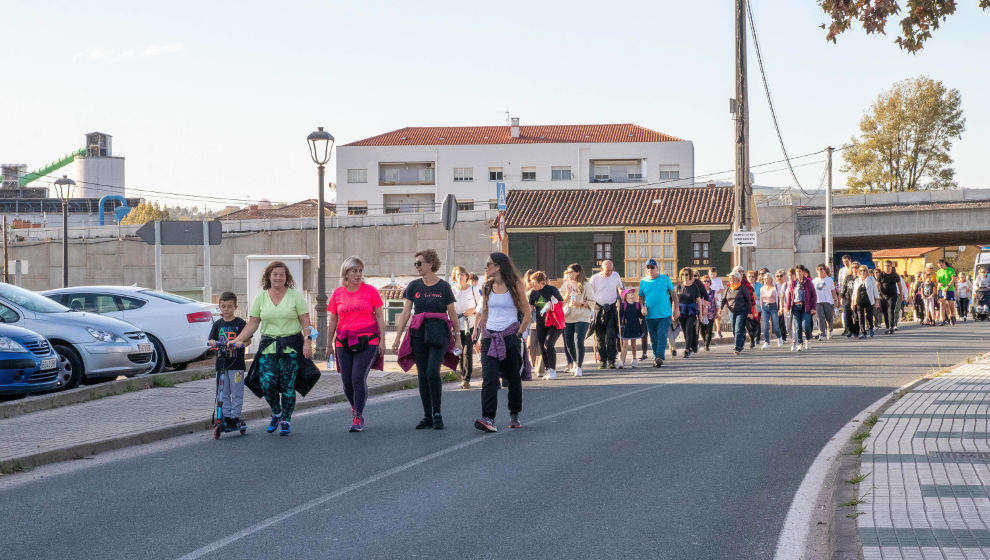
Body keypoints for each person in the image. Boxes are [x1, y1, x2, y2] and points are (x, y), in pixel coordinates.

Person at [231, 261, 314, 437]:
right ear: (269, 277)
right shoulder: (261, 298)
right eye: (275, 274)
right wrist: (238, 340)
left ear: (286, 277)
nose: (278, 277)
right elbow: (253, 323)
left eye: (282, 274)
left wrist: (308, 341)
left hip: (291, 347)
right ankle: (277, 412)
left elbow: (305, 321)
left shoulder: (294, 296)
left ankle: (286, 420)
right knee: (266, 384)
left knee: (287, 386)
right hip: (268, 347)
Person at [392, 249, 461, 430]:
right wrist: (397, 338)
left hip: (439, 333)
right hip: (418, 333)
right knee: (422, 375)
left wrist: (458, 339)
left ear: (431, 264)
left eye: (419, 263)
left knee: (432, 372)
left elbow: (452, 314)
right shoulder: (414, 286)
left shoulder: (444, 287)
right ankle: (427, 416)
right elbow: (406, 312)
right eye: (416, 264)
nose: (417, 267)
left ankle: (437, 412)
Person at [325, 257, 386, 433]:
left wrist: (382, 340)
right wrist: (329, 343)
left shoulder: (371, 291)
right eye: (354, 271)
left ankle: (358, 415)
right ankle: (355, 408)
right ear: (346, 273)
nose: (358, 274)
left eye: (360, 271)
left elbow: (380, 316)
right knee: (346, 382)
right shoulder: (338, 293)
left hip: (368, 341)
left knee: (357, 377)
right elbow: (333, 319)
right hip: (343, 341)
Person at [473, 252, 531, 432]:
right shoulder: (487, 286)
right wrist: (480, 333)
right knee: (489, 378)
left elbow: (527, 314)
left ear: (498, 266)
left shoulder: (515, 286)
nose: (486, 267)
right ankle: (488, 418)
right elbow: (484, 312)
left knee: (512, 378)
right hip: (491, 337)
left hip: (510, 336)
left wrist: (518, 334)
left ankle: (514, 413)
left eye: (488, 264)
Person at [208, 292, 248, 434]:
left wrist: (241, 343)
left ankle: (235, 417)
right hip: (222, 365)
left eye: (229, 306)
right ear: (219, 307)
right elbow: (211, 339)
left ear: (235, 307)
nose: (226, 309)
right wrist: (212, 341)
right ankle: (224, 417)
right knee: (223, 392)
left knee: (236, 392)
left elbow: (248, 339)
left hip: (236, 365)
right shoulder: (217, 324)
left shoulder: (240, 323)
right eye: (223, 306)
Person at [640, 258, 678, 368]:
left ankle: (660, 357)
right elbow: (641, 298)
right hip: (650, 316)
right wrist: (642, 307)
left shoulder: (665, 279)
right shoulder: (643, 282)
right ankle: (656, 357)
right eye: (648, 267)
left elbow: (674, 295)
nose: (650, 269)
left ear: (657, 268)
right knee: (653, 338)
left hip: (664, 315)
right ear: (646, 270)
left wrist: (676, 309)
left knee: (662, 335)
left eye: (652, 267)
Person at [451, 266, 482, 389]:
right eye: (458, 274)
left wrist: (473, 311)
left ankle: (466, 379)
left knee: (467, 351)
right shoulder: (452, 290)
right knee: (458, 352)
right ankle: (462, 376)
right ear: (455, 277)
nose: (460, 277)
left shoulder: (474, 289)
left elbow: (481, 306)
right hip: (457, 326)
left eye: (463, 274)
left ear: (466, 276)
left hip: (470, 325)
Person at [529, 271, 564, 379]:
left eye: (534, 282)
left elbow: (561, 303)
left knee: (548, 344)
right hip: (540, 324)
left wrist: (553, 304)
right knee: (542, 347)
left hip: (554, 322)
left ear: (541, 282)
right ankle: (548, 369)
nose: (532, 284)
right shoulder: (533, 293)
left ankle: (553, 370)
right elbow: (530, 309)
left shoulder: (552, 290)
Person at [561, 263, 593, 377]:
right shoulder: (566, 284)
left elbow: (591, 301)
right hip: (568, 316)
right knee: (569, 343)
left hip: (582, 316)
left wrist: (580, 304)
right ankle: (574, 362)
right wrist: (568, 294)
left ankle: (579, 367)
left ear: (578, 272)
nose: (569, 274)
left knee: (578, 341)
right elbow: (561, 301)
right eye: (568, 272)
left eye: (571, 272)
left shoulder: (586, 285)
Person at [590, 259, 623, 369]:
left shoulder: (615, 275)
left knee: (611, 335)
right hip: (598, 308)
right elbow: (589, 293)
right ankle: (603, 360)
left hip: (612, 308)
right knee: (600, 336)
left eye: (611, 270)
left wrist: (620, 296)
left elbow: (620, 288)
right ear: (601, 269)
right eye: (607, 270)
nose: (609, 272)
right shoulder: (594, 278)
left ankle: (612, 360)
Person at [783, 265, 817, 351]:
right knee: (797, 326)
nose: (798, 273)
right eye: (797, 272)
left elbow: (814, 295)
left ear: (803, 272)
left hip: (806, 306)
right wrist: (787, 307)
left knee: (805, 325)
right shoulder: (793, 283)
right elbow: (790, 296)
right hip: (795, 307)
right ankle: (800, 344)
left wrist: (813, 307)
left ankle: (808, 339)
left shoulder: (808, 282)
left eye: (800, 271)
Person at [721, 271, 754, 355]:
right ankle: (741, 342)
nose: (730, 279)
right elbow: (724, 299)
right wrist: (720, 308)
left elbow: (748, 301)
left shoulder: (742, 288)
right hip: (731, 311)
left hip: (742, 311)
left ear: (737, 278)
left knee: (738, 328)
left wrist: (749, 312)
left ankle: (737, 347)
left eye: (732, 278)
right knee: (734, 329)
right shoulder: (728, 288)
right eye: (729, 278)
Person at [676, 267, 706, 358]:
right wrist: (674, 311)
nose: (684, 276)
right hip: (682, 311)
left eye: (686, 274)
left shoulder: (694, 287)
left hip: (692, 311)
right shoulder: (679, 287)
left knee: (689, 329)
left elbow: (699, 301)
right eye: (683, 274)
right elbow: (675, 301)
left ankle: (687, 349)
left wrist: (700, 314)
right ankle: (692, 346)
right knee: (685, 331)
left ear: (690, 276)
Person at [876, 260, 904, 334]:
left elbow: (899, 286)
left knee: (891, 310)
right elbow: (877, 286)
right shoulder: (881, 275)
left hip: (892, 295)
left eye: (888, 266)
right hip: (883, 296)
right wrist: (877, 295)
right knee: (885, 312)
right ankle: (887, 327)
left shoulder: (895, 275)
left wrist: (901, 294)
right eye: (885, 266)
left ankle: (891, 327)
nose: (887, 267)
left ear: (891, 267)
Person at [852, 265, 880, 338]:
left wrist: (877, 300)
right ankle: (863, 332)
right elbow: (854, 292)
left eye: (864, 270)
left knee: (869, 316)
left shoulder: (871, 279)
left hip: (869, 300)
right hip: (859, 301)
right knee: (860, 317)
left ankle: (871, 328)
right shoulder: (857, 280)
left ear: (867, 271)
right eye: (861, 270)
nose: (862, 272)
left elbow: (875, 290)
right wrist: (853, 302)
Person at [618, 289, 643, 367]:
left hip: (635, 325)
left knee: (633, 344)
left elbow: (640, 316)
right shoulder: (623, 305)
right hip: (626, 326)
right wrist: (618, 309)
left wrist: (643, 313)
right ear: (625, 296)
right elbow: (620, 316)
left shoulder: (637, 305)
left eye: (632, 293)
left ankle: (634, 359)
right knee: (625, 343)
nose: (631, 294)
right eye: (629, 293)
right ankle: (622, 361)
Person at [813, 264, 838, 340]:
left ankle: (830, 330)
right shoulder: (814, 280)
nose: (819, 271)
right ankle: (822, 334)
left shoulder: (829, 279)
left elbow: (833, 291)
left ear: (824, 270)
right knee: (820, 318)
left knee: (829, 318)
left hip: (828, 301)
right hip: (818, 302)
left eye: (821, 269)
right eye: (818, 269)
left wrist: (835, 300)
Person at [759, 271, 782, 348]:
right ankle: (767, 342)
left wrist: (780, 308)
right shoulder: (762, 288)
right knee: (765, 326)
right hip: (765, 307)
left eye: (766, 278)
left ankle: (779, 338)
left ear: (771, 279)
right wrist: (762, 308)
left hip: (773, 307)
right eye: (764, 278)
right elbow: (761, 299)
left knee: (775, 326)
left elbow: (779, 298)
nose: (765, 280)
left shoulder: (775, 287)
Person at [840, 263, 861, 337]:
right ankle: (849, 330)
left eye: (856, 267)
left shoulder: (860, 278)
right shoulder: (848, 277)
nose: (854, 269)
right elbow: (844, 288)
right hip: (848, 298)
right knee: (847, 315)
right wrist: (842, 297)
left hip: (857, 300)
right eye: (853, 267)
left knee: (856, 316)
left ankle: (856, 331)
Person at [936, 259, 957, 325]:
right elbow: (937, 280)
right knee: (942, 304)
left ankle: (952, 316)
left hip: (949, 289)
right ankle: (943, 320)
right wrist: (939, 283)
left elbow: (953, 279)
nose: (941, 267)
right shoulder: (939, 271)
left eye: (941, 265)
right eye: (939, 266)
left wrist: (947, 286)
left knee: (951, 304)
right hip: (941, 289)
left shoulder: (950, 270)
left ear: (944, 263)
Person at [699, 275, 717, 351]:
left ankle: (707, 345)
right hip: (701, 313)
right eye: (705, 281)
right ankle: (704, 340)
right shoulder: (699, 292)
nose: (706, 282)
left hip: (711, 313)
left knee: (709, 330)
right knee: (702, 329)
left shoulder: (713, 292)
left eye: (708, 281)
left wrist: (718, 311)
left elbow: (716, 302)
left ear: (710, 283)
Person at [837, 255, 854, 335]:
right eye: (844, 262)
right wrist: (840, 295)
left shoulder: (854, 268)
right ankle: (846, 328)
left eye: (846, 261)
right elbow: (840, 283)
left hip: (854, 292)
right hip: (845, 293)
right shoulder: (841, 271)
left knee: (855, 311)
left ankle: (855, 328)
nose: (845, 263)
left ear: (850, 260)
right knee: (846, 311)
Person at [744, 270, 761, 349]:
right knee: (748, 324)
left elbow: (762, 296)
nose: (751, 278)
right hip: (747, 307)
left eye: (753, 276)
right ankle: (752, 339)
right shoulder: (744, 286)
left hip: (756, 307)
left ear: (755, 278)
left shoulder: (759, 285)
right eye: (749, 276)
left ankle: (754, 337)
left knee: (755, 324)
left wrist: (758, 298)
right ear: (746, 277)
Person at [708, 268, 725, 339]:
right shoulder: (707, 280)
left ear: (716, 274)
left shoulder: (719, 280)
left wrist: (716, 293)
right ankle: (712, 331)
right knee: (711, 316)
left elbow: (722, 289)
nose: (712, 275)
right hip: (710, 300)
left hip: (718, 299)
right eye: (711, 274)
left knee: (718, 315)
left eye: (714, 274)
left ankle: (719, 330)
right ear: (709, 273)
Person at [775, 269, 789, 342]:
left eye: (781, 276)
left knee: (786, 321)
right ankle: (782, 337)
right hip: (778, 305)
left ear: (784, 277)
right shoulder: (775, 286)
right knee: (780, 321)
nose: (779, 277)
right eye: (777, 276)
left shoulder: (787, 284)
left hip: (786, 304)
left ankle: (785, 335)